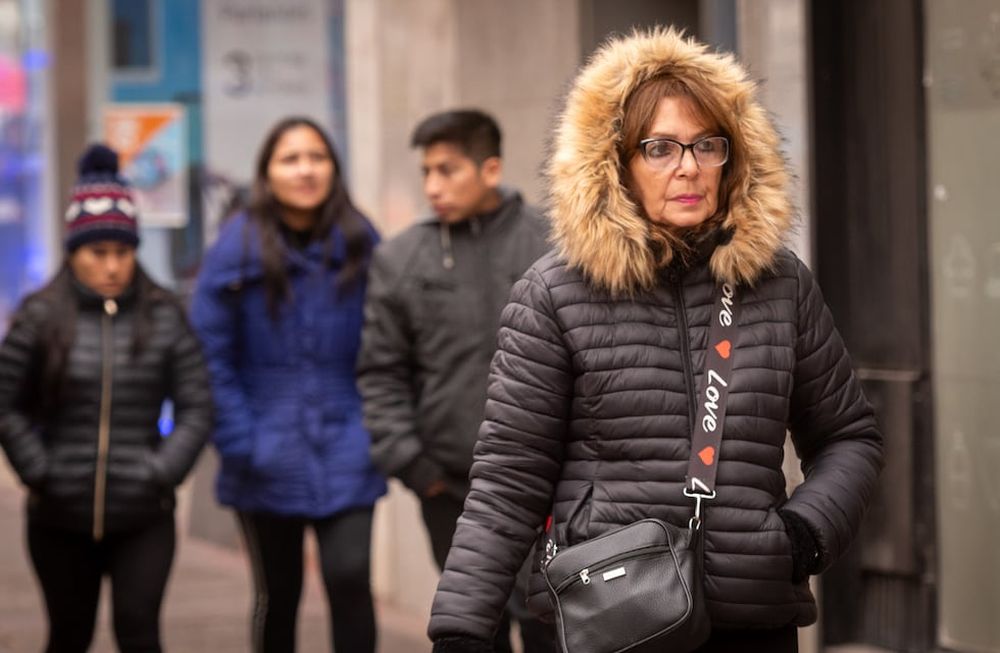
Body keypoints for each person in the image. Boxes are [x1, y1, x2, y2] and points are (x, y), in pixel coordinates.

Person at [427, 28, 884, 653]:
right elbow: (509, 480)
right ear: (616, 163)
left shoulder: (781, 284)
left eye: (707, 145)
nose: (688, 167)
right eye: (661, 148)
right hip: (612, 616)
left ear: (734, 158)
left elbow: (849, 437)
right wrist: (461, 628)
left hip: (753, 619)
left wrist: (802, 535)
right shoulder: (555, 293)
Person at [0, 144, 213, 653]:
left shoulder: (164, 316)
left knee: (139, 631)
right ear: (74, 252)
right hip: (58, 516)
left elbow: (197, 404)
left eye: (123, 251)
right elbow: (6, 403)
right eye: (98, 253)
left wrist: (162, 471)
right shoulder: (39, 317)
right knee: (68, 634)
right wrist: (39, 471)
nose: (112, 266)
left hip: (144, 515)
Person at [357, 109, 553, 652]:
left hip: (547, 487)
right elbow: (380, 372)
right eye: (426, 172)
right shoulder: (400, 259)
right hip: (452, 489)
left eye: (447, 170)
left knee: (551, 626)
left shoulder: (553, 243)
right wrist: (415, 467)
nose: (432, 187)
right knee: (474, 632)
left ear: (490, 169)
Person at [190, 117, 386, 653]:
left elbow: (390, 346)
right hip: (262, 447)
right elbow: (209, 354)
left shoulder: (361, 240)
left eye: (317, 157)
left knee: (350, 579)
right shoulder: (235, 247)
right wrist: (239, 440)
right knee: (278, 592)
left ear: (334, 168)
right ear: (267, 172)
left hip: (348, 440)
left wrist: (375, 428)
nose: (305, 170)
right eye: (290, 159)